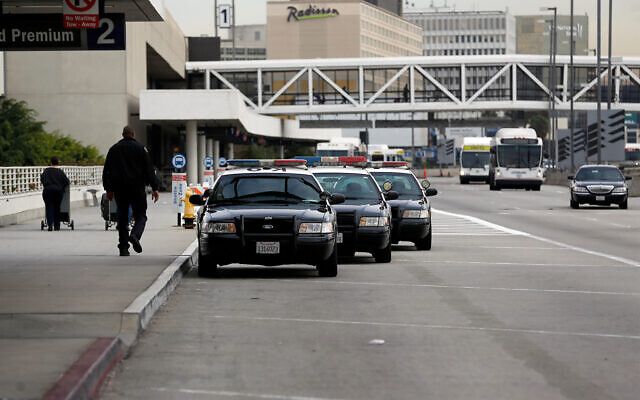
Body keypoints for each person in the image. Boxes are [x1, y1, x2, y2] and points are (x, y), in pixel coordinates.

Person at [103, 126, 160, 256]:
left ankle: (123, 248)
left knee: (122, 218)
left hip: (120, 189)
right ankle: (135, 235)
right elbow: (149, 169)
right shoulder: (141, 148)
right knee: (141, 215)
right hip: (137, 188)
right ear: (133, 135)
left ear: (123, 135)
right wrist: (155, 187)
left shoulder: (114, 149)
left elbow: (107, 170)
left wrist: (109, 189)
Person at [40, 156, 70, 231]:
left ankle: (50, 224)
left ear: (51, 162)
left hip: (48, 191)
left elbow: (42, 179)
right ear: (58, 162)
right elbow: (66, 182)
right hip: (58, 191)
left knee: (49, 207)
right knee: (57, 207)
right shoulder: (60, 172)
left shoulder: (46, 171)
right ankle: (57, 226)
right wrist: (61, 187)